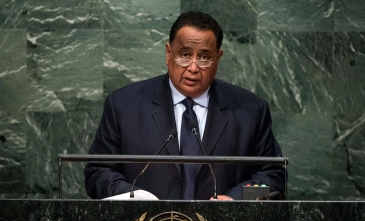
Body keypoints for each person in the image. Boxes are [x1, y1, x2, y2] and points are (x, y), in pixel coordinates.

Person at [84, 11, 285, 200]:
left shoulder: (250, 111)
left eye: (204, 57)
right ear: (168, 53)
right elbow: (99, 172)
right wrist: (135, 199)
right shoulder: (124, 105)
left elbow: (273, 176)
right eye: (185, 54)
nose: (193, 67)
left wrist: (236, 199)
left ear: (218, 59)